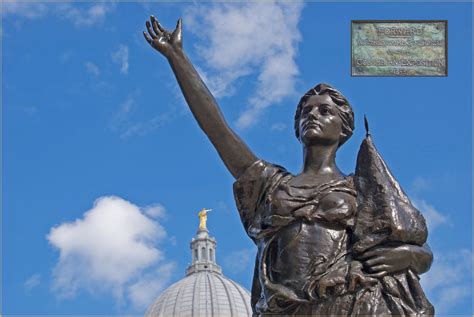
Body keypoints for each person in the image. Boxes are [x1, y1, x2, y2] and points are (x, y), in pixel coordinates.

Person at [143, 16, 434, 316]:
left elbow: (413, 248)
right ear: (296, 127)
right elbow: (218, 131)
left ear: (344, 129)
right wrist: (177, 58)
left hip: (346, 302)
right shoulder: (273, 185)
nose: (313, 115)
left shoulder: (360, 189)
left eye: (325, 111)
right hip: (284, 306)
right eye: (306, 111)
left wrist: (411, 256)